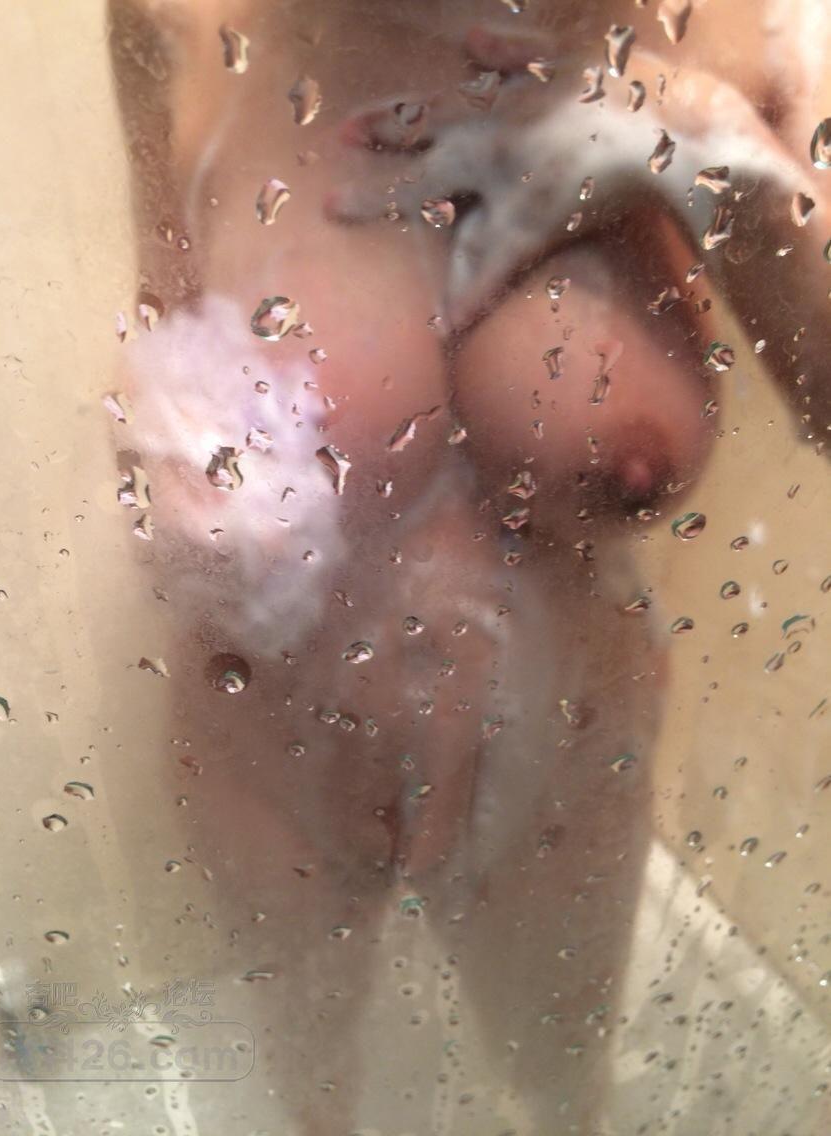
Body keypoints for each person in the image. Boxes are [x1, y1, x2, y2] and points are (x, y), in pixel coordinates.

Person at [108, 1, 829, 1130]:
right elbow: (163, 301)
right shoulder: (184, 14)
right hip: (272, 769)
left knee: (555, 1106)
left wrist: (706, 145)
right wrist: (184, 472)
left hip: (563, 777)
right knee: (310, 1113)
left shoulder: (731, 27)